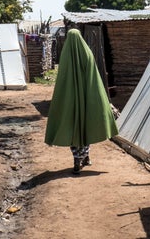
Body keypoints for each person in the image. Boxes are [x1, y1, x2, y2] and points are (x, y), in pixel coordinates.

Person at [44, 28, 118, 174]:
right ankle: (85, 157)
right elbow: (94, 80)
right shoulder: (88, 54)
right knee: (86, 127)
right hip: (87, 99)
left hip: (70, 102)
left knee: (73, 128)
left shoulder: (65, 56)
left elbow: (62, 82)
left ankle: (78, 158)